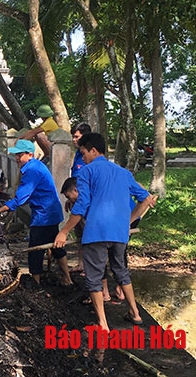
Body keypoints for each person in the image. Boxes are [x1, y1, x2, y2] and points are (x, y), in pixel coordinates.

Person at [53, 133, 156, 331]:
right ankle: (135, 313)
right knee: (121, 272)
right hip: (119, 234)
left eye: (83, 153)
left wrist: (64, 232)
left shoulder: (86, 172)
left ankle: (102, 324)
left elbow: (82, 204)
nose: (82, 158)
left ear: (93, 150)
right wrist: (127, 222)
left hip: (96, 232)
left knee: (93, 277)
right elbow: (146, 199)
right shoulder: (123, 173)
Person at [0, 139, 72, 285]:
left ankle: (36, 283)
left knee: (35, 250)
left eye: (20, 155)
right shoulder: (36, 166)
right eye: (16, 155)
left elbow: (20, 199)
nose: (17, 158)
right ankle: (67, 278)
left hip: (43, 216)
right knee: (56, 246)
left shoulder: (32, 171)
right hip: (50, 213)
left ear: (30, 154)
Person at [67, 122, 91, 273]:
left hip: (84, 201)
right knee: (79, 233)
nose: (74, 140)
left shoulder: (88, 155)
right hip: (75, 198)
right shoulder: (77, 154)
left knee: (87, 232)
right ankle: (81, 262)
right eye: (73, 137)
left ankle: (90, 265)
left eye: (77, 137)